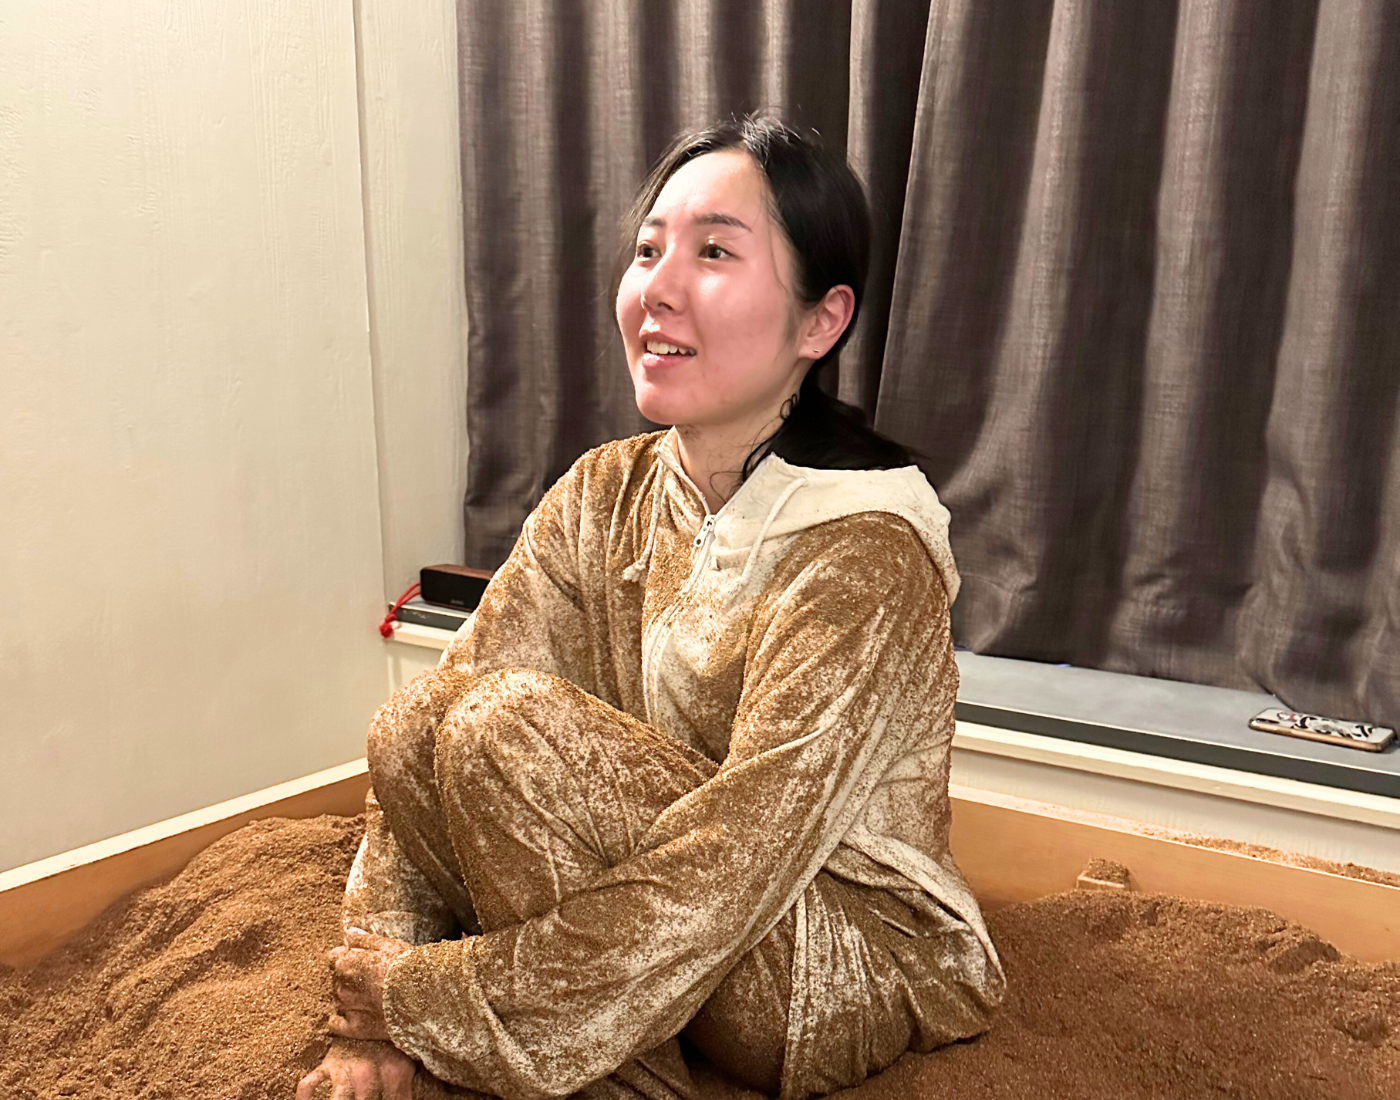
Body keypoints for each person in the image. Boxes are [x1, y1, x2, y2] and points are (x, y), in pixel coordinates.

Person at [298, 115, 1005, 1100]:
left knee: (502, 728)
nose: (656, 289)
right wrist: (370, 1017)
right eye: (647, 250)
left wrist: (421, 997)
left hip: (837, 951)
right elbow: (425, 739)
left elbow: (734, 866)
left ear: (820, 321)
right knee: (422, 717)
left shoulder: (865, 551)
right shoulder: (604, 491)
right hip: (668, 922)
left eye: (714, 252)